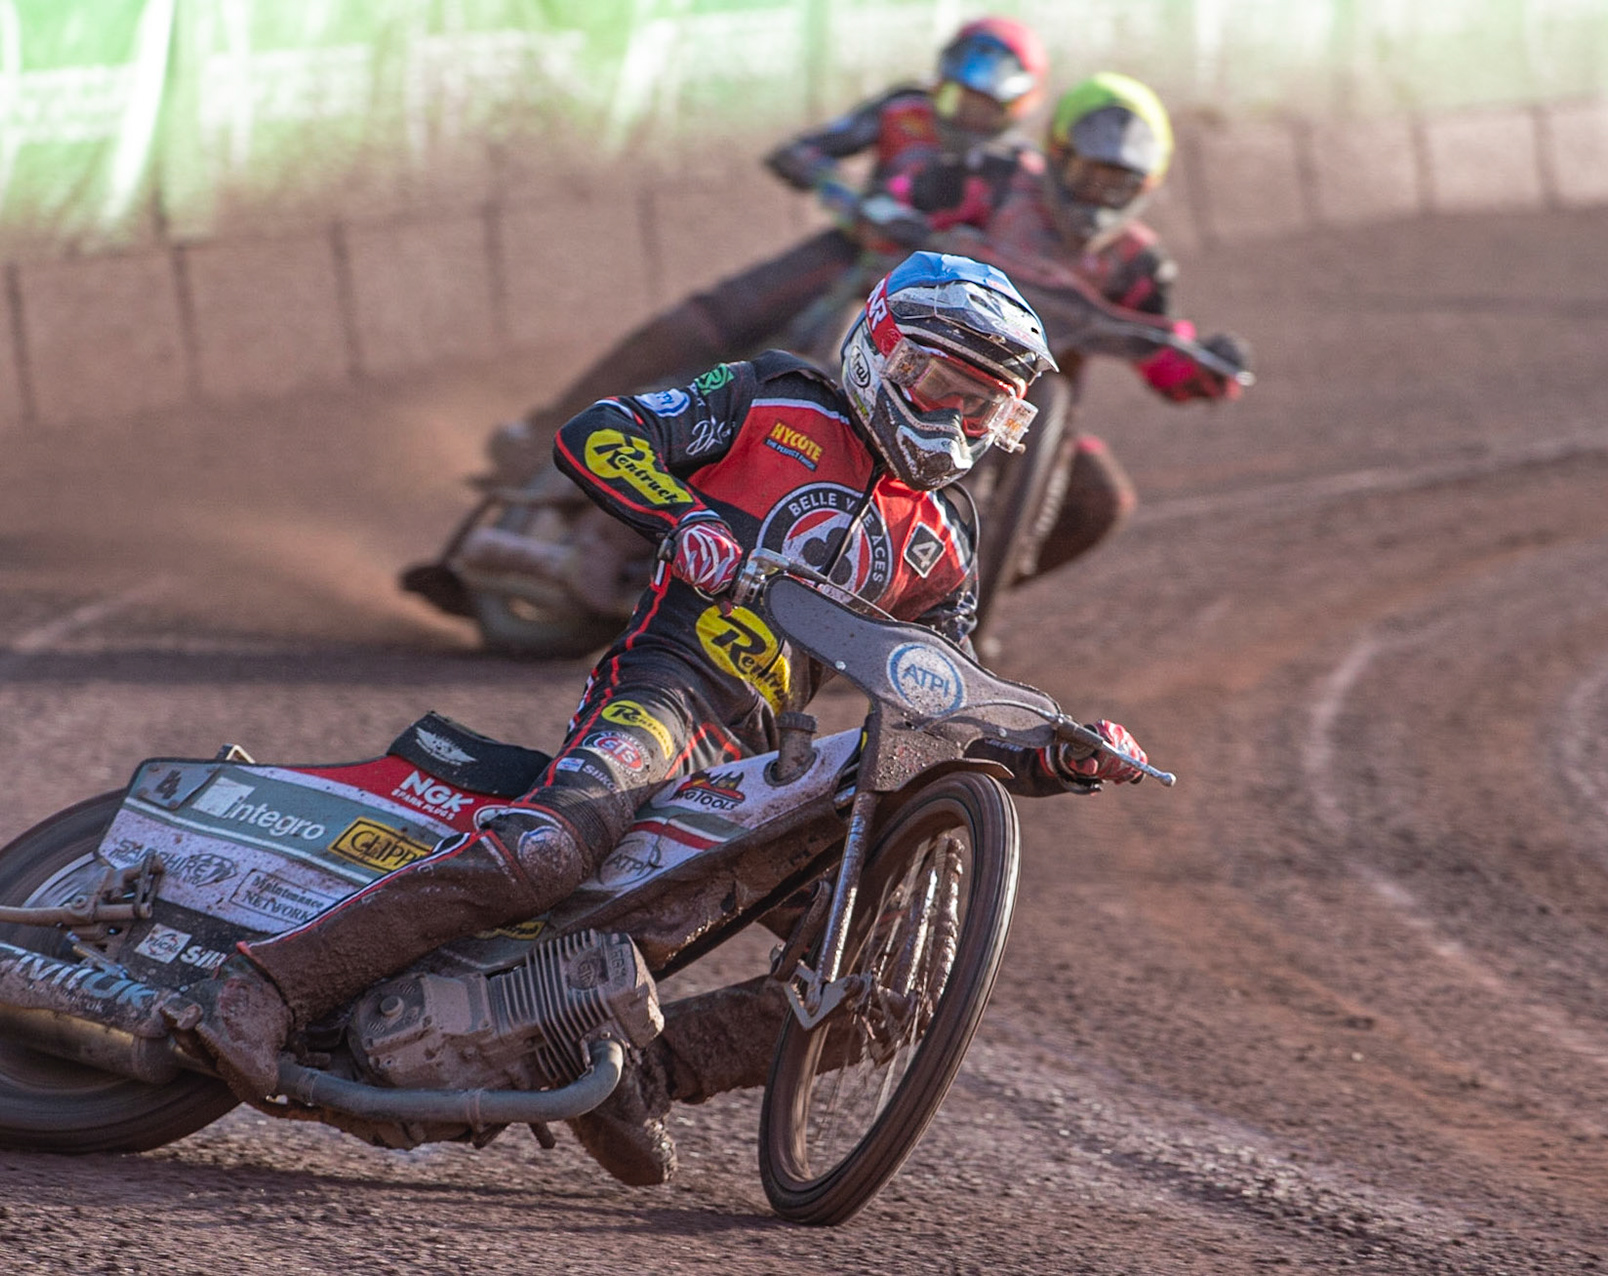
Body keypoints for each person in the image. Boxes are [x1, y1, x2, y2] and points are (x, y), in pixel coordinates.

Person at [184, 253, 1150, 1187]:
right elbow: (599, 432)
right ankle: (263, 985)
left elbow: (946, 688)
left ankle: (644, 1074)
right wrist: (683, 515)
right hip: (669, 688)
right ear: (880, 346)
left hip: (772, 761)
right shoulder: (776, 397)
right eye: (934, 380)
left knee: (887, 991)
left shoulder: (948, 532)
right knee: (549, 851)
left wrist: (1056, 756)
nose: (949, 413)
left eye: (978, 402)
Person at [471, 17, 1050, 483]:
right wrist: (853, 204)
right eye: (957, 95)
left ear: (1016, 108)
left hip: (921, 302)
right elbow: (797, 153)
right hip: (845, 248)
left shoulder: (1017, 173)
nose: (964, 114)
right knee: (706, 318)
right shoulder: (903, 109)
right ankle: (546, 430)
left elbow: (1014, 252)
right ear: (941, 81)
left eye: (984, 105)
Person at [887, 72, 1252, 578]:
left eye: (1117, 184)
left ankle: (970, 602)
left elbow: (1160, 350)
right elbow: (908, 198)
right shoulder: (998, 179)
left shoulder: (1137, 260)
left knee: (1103, 501)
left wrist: (1209, 371)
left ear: (1144, 187)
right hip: (917, 367)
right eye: (1089, 176)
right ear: (1057, 155)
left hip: (1034, 412)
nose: (1099, 196)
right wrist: (896, 213)